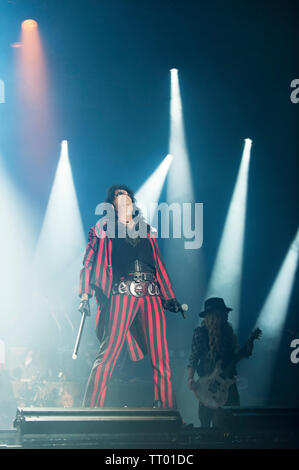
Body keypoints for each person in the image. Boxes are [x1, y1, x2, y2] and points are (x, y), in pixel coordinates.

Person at [78, 184, 181, 408]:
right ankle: (91, 410)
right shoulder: (103, 228)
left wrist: (169, 297)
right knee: (108, 355)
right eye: (117, 196)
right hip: (122, 292)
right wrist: (85, 295)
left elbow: (159, 265)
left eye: (126, 195)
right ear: (112, 204)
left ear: (132, 201)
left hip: (151, 294)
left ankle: (167, 413)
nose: (122, 198)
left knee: (161, 358)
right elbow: (87, 262)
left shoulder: (146, 229)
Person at [187, 297, 252, 427]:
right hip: (209, 383)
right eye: (224, 311)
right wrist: (190, 378)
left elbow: (233, 358)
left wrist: (246, 351)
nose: (227, 314)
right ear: (216, 314)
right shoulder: (201, 332)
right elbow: (194, 357)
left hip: (227, 383)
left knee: (233, 419)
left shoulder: (228, 333)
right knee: (205, 422)